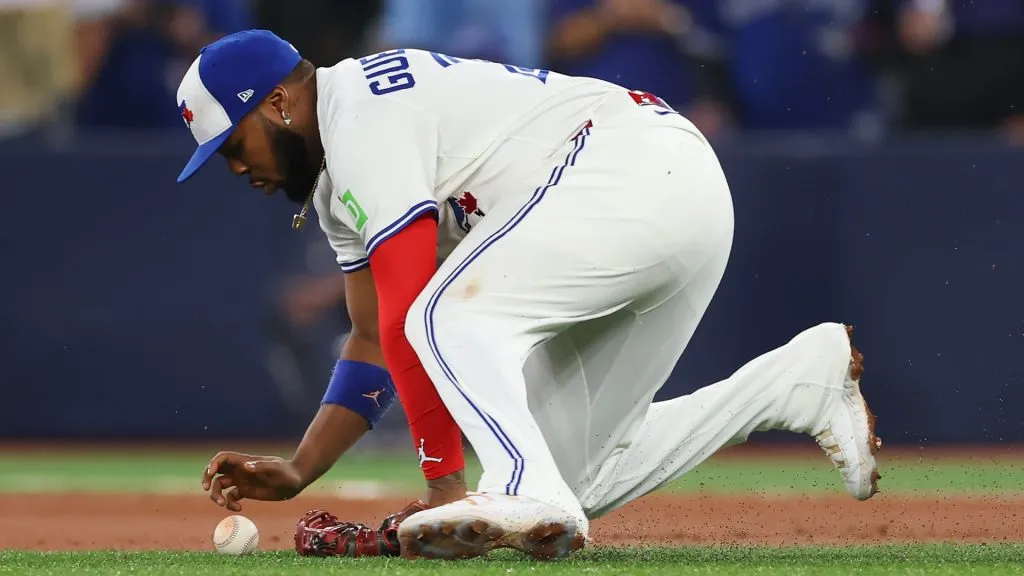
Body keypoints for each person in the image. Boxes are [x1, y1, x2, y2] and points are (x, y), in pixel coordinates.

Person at [176, 30, 882, 560]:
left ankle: (524, 487)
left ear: (278, 101)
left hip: (632, 165)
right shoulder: (338, 186)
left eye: (235, 146)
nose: (237, 167)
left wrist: (445, 485)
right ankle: (795, 380)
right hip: (672, 201)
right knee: (575, 476)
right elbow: (368, 339)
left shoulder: (357, 110)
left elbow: (409, 312)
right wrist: (303, 466)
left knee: (441, 323)